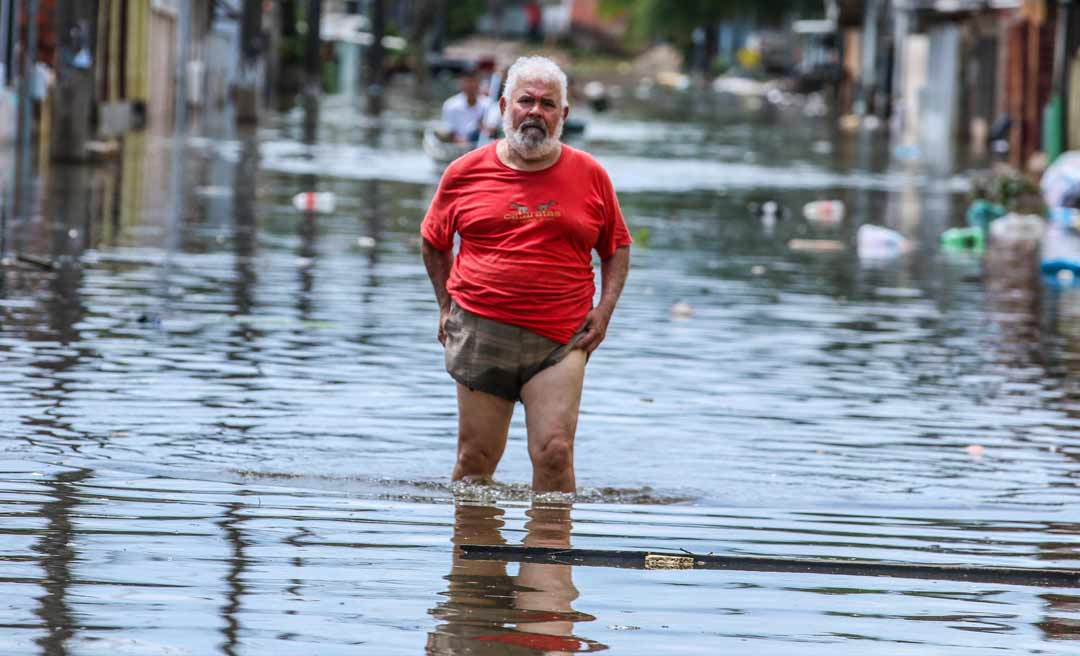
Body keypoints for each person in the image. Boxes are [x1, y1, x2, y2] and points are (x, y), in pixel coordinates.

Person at [421, 56, 632, 493]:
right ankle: (475, 560)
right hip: (480, 330)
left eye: (548, 104)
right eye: (526, 101)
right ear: (504, 107)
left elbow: (616, 247)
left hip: (560, 337)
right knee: (474, 461)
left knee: (555, 453)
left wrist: (605, 310)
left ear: (564, 115)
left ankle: (550, 552)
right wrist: (445, 305)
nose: (536, 111)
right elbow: (434, 241)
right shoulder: (463, 173)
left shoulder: (590, 175)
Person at [440, 69, 491, 145]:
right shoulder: (450, 105)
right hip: (457, 144)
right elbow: (450, 130)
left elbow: (490, 129)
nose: (470, 86)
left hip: (480, 142)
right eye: (467, 82)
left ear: (478, 84)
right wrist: (461, 141)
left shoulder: (488, 104)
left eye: (473, 82)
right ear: (461, 85)